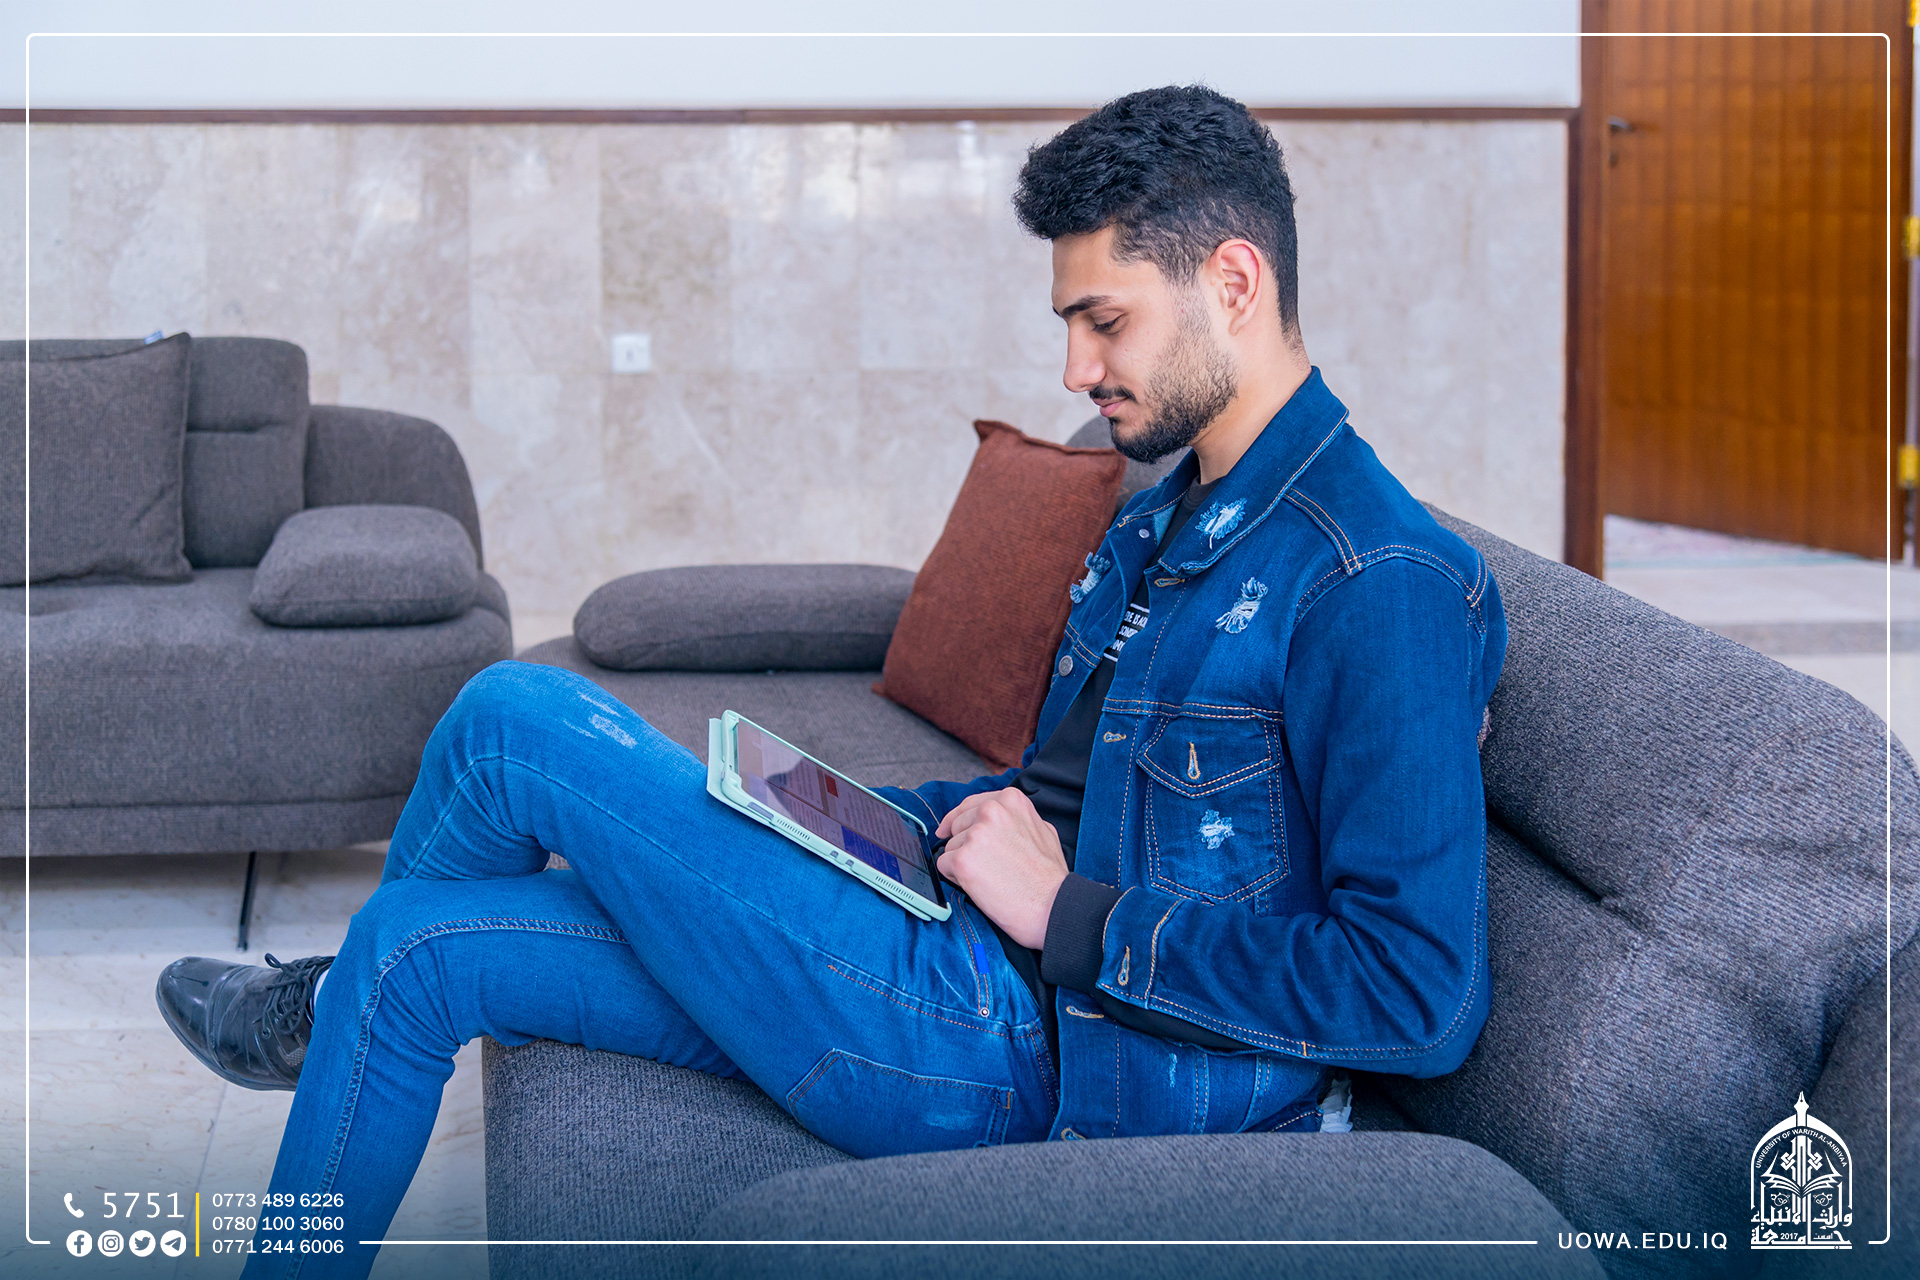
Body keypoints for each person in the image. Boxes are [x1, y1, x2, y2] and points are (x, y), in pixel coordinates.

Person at [156, 84, 1506, 1277]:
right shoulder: (1174, 513)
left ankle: (313, 1008)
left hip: (1022, 1050)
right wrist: (879, 824)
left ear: (1234, 283)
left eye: (1105, 322)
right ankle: (341, 1010)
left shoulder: (1376, 581)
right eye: (1070, 324)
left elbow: (1416, 995)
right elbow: (1087, 798)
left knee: (515, 718)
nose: (1075, 369)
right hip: (950, 943)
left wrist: (1066, 912)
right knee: (412, 949)